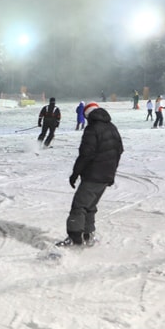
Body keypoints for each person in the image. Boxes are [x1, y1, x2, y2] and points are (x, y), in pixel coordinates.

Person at [58, 102, 123, 247]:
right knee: (90, 206)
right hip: (106, 175)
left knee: (79, 206)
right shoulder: (112, 127)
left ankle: (74, 240)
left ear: (87, 116)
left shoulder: (92, 129)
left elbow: (86, 154)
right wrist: (111, 173)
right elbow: (119, 151)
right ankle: (88, 236)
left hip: (93, 174)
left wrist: (75, 173)